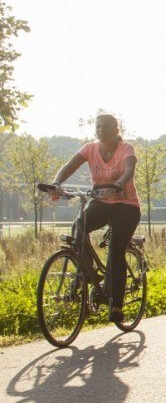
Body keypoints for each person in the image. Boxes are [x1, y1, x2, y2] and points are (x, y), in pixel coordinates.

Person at [47, 113, 140, 322]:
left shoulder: (126, 148)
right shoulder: (90, 148)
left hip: (126, 206)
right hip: (101, 202)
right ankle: (86, 272)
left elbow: (129, 169)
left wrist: (120, 183)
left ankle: (116, 305)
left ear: (116, 130)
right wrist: (56, 183)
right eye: (98, 127)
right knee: (79, 226)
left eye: (106, 126)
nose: (101, 130)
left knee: (116, 251)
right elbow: (69, 166)